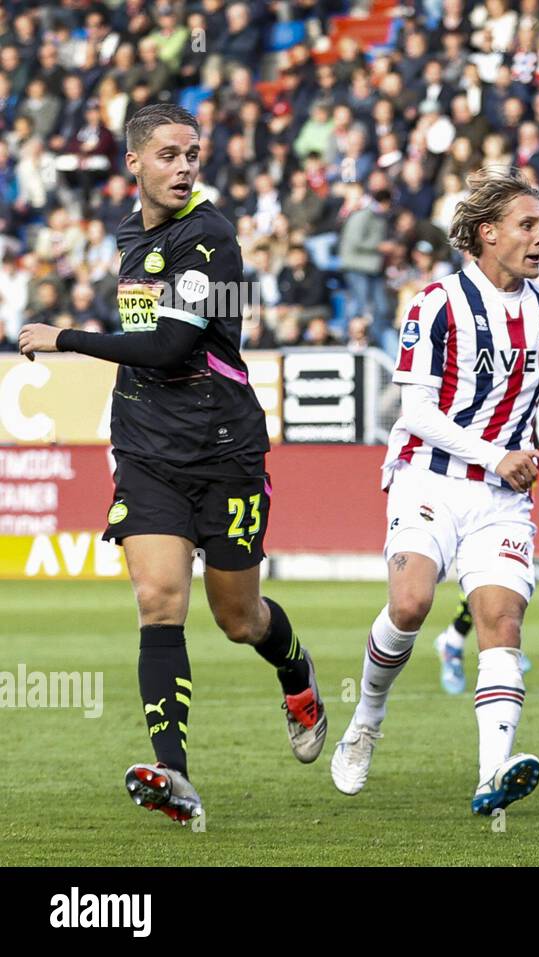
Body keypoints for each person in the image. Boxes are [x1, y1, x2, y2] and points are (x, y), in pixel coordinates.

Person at [18, 103, 326, 825]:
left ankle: (297, 672)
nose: (185, 165)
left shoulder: (212, 238)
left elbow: (169, 348)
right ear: (134, 161)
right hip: (149, 447)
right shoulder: (131, 233)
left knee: (238, 616)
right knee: (158, 601)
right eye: (169, 154)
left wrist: (63, 337)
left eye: (193, 153)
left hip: (225, 449)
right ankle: (174, 774)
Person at [330, 168, 539, 816]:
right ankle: (367, 719)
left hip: (503, 498)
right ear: (488, 234)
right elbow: (416, 411)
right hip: (429, 474)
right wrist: (498, 454)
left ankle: (493, 774)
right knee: (409, 605)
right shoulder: (435, 303)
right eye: (528, 224)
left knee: (501, 621)